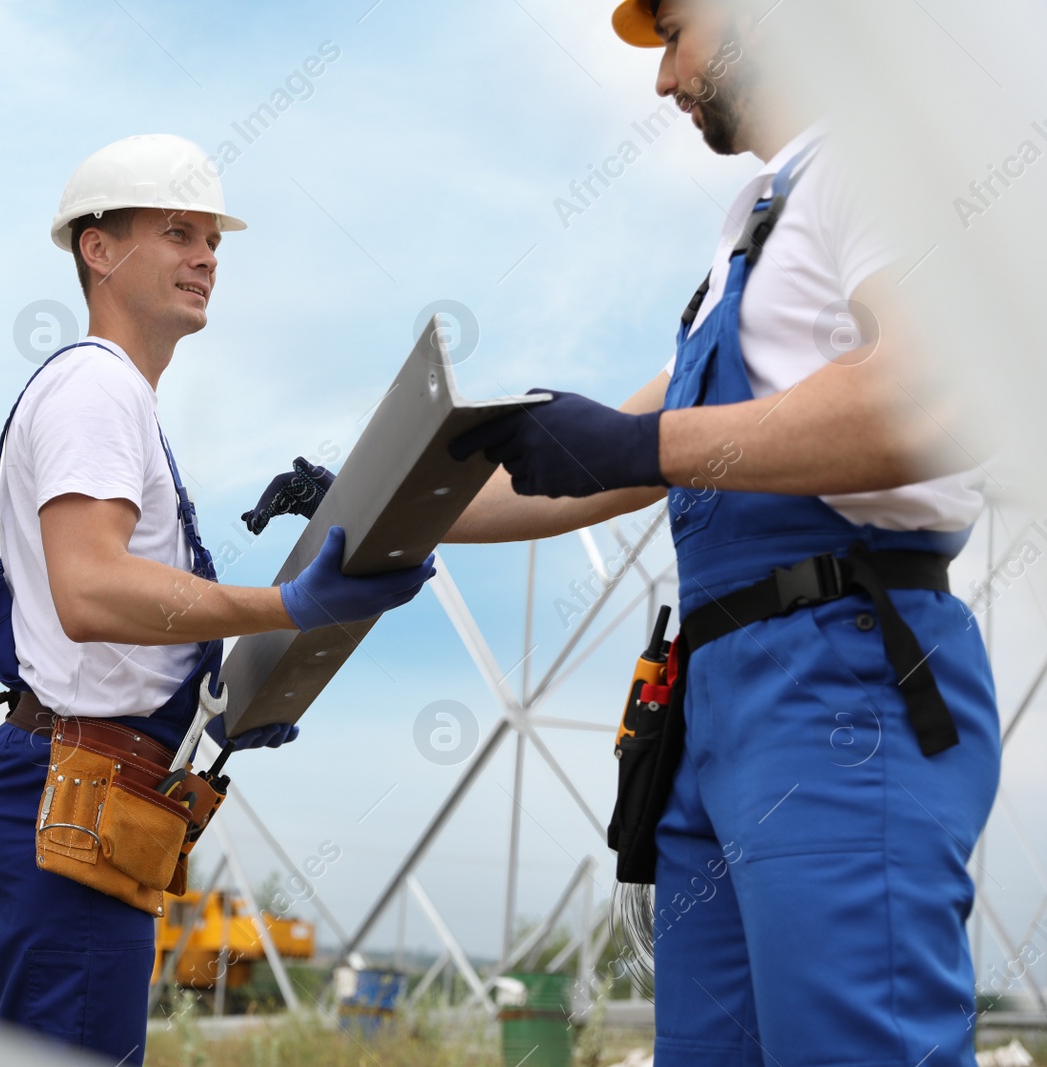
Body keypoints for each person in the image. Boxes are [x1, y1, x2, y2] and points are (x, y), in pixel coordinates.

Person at [276, 1, 999, 1062]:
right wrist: (363, 501)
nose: (663, 80)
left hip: (844, 683)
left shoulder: (883, 168)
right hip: (718, 707)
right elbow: (588, 472)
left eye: (672, 35)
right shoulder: (744, 248)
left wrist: (640, 448)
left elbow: (930, 397)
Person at [0, 133, 435, 1064]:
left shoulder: (118, 397)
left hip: (91, 789)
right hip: (75, 794)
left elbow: (115, 634)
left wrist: (224, 705)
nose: (206, 256)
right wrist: (293, 605)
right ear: (97, 249)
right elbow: (92, 591)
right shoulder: (98, 385)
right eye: (178, 232)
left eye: (213, 240)